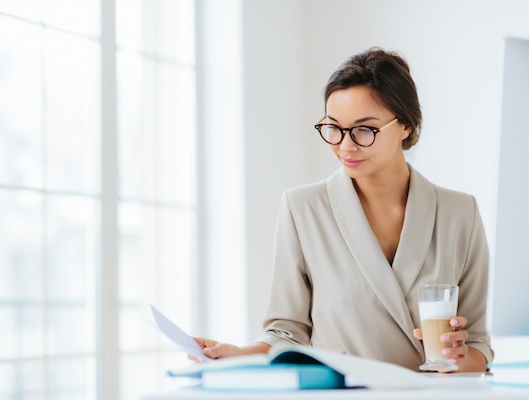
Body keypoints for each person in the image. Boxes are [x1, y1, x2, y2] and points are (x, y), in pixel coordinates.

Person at [193, 47, 493, 372]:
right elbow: (286, 334)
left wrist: (460, 358)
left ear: (406, 125)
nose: (345, 146)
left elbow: (477, 345)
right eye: (333, 127)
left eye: (364, 130)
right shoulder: (302, 209)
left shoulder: (460, 213)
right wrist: (237, 354)